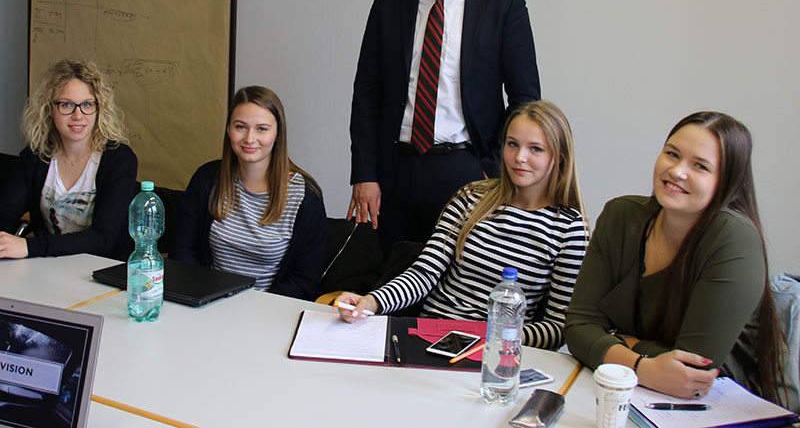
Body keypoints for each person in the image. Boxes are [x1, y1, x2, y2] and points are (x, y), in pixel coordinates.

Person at [348, 0, 540, 257]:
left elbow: (525, 100)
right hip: (394, 171)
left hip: (468, 169)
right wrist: (365, 173)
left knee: (462, 279)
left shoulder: (504, 2)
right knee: (393, 274)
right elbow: (367, 94)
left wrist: (497, 168)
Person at [565, 112, 786, 404]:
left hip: (725, 405)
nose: (677, 171)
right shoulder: (620, 216)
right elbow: (578, 327)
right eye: (672, 154)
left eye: (700, 166)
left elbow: (693, 371)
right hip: (636, 393)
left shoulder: (734, 237)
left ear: (726, 181)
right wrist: (643, 367)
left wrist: (618, 340)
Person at [337, 101, 588, 350]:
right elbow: (424, 273)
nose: (520, 158)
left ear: (559, 157)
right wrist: (371, 302)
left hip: (495, 351)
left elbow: (558, 327)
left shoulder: (569, 228)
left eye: (535, 149)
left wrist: (496, 334)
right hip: (430, 334)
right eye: (512, 144)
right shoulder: (471, 197)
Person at [171, 86, 327, 300]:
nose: (249, 139)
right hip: (208, 304)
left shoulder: (305, 196)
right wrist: (206, 297)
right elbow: (182, 252)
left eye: (262, 129)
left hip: (269, 312)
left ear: (278, 134)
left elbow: (304, 280)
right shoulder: (207, 179)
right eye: (240, 127)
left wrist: (254, 308)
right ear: (228, 130)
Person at [0, 59, 137, 260]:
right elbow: (5, 216)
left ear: (99, 109)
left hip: (102, 272)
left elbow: (104, 238)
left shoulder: (119, 160)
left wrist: (30, 247)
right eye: (66, 105)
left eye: (87, 105)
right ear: (49, 109)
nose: (77, 115)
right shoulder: (35, 157)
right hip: (47, 269)